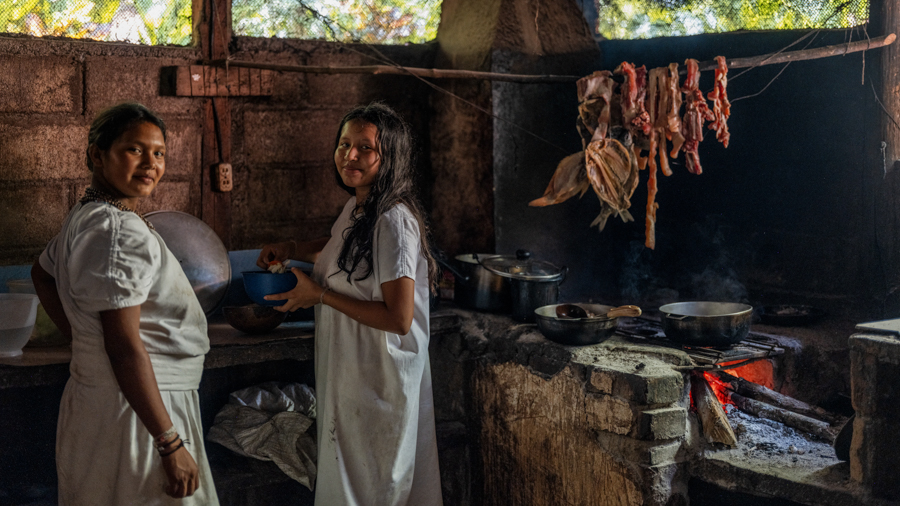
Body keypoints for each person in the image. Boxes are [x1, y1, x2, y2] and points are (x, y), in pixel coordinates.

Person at [31, 102, 219, 505]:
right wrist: (169, 443)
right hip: (140, 414)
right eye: (135, 149)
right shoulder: (118, 230)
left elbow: (42, 273)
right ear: (98, 155)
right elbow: (123, 346)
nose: (150, 163)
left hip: (116, 402)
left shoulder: (89, 216)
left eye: (159, 153)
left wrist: (83, 338)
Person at [256, 102, 443, 505]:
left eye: (365, 148)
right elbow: (339, 249)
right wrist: (291, 249)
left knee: (372, 489)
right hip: (354, 378)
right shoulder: (358, 207)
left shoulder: (392, 220)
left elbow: (398, 318)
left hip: (379, 382)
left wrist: (318, 295)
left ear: (388, 157)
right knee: (352, 487)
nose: (350, 156)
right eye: (344, 144)